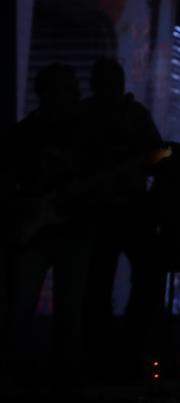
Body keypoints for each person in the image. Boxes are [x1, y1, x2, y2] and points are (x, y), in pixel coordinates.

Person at [80, 57, 169, 377]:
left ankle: (122, 349)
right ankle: (109, 351)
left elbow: (159, 154)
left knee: (132, 279)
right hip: (101, 210)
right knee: (99, 283)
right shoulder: (90, 115)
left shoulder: (128, 114)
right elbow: (160, 154)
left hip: (128, 208)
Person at [4, 63, 87, 378]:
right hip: (54, 230)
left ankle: (23, 374)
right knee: (55, 309)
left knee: (43, 308)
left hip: (65, 229)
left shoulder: (28, 131)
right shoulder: (28, 134)